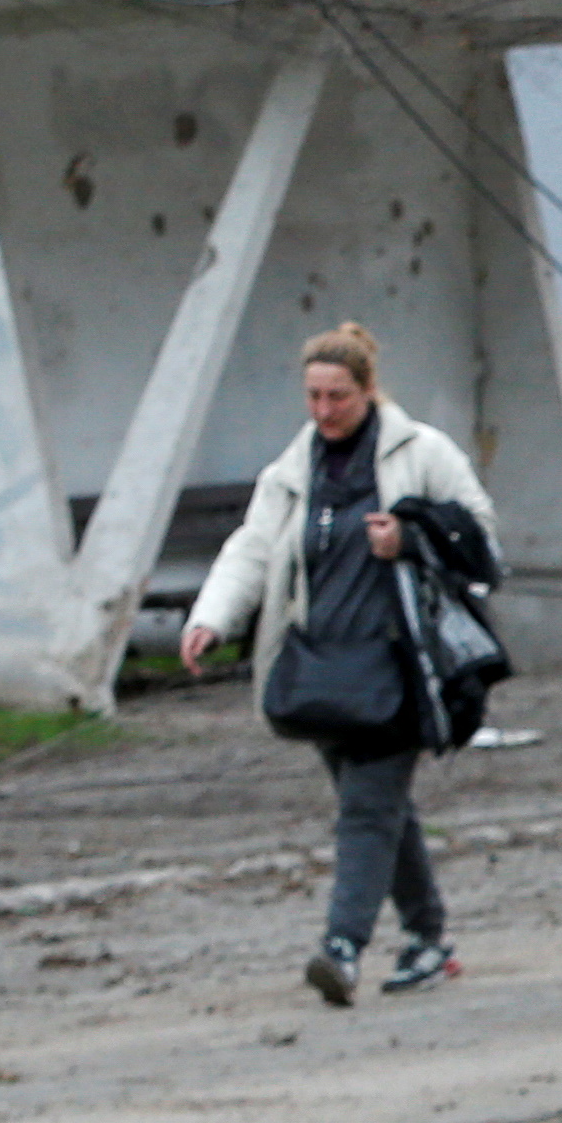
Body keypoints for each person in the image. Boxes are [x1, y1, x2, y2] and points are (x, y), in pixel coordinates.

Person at [186, 323, 502, 1005]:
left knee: (365, 808)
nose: (325, 411)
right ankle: (428, 939)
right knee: (383, 811)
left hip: (399, 667)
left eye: (338, 397)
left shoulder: (421, 453)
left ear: (367, 390)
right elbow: (253, 547)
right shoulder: (293, 469)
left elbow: (479, 536)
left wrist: (410, 538)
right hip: (320, 668)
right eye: (314, 396)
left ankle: (342, 947)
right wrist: (212, 618)